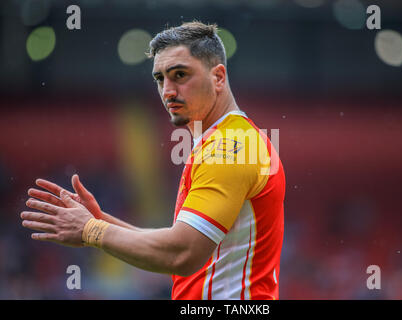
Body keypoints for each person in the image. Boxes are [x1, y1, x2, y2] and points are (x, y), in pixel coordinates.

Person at [20, 21, 285, 300]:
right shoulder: (227, 140)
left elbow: (182, 254)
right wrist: (101, 222)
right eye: (160, 79)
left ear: (218, 77)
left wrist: (91, 230)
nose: (167, 91)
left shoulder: (230, 147)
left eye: (180, 75)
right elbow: (177, 252)